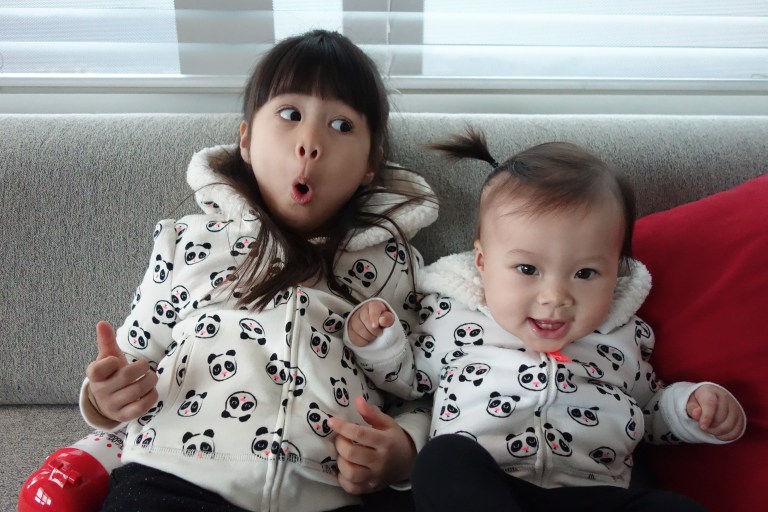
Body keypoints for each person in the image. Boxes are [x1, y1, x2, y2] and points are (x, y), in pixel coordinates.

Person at [19, 29, 438, 512]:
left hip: (328, 491)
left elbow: (419, 390)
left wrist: (403, 452)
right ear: (246, 137)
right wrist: (104, 398)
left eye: (341, 125)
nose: (309, 144)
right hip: (174, 473)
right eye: (290, 114)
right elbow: (135, 356)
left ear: (371, 165)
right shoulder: (187, 241)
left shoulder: (390, 264)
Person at [342, 129, 746, 512]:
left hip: (592, 495)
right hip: (493, 487)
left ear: (616, 272)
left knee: (674, 507)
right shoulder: (453, 317)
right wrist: (380, 341)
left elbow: (648, 410)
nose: (555, 298)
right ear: (482, 263)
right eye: (527, 270)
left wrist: (689, 407)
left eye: (585, 274)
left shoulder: (622, 336)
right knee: (442, 460)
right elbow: (409, 379)